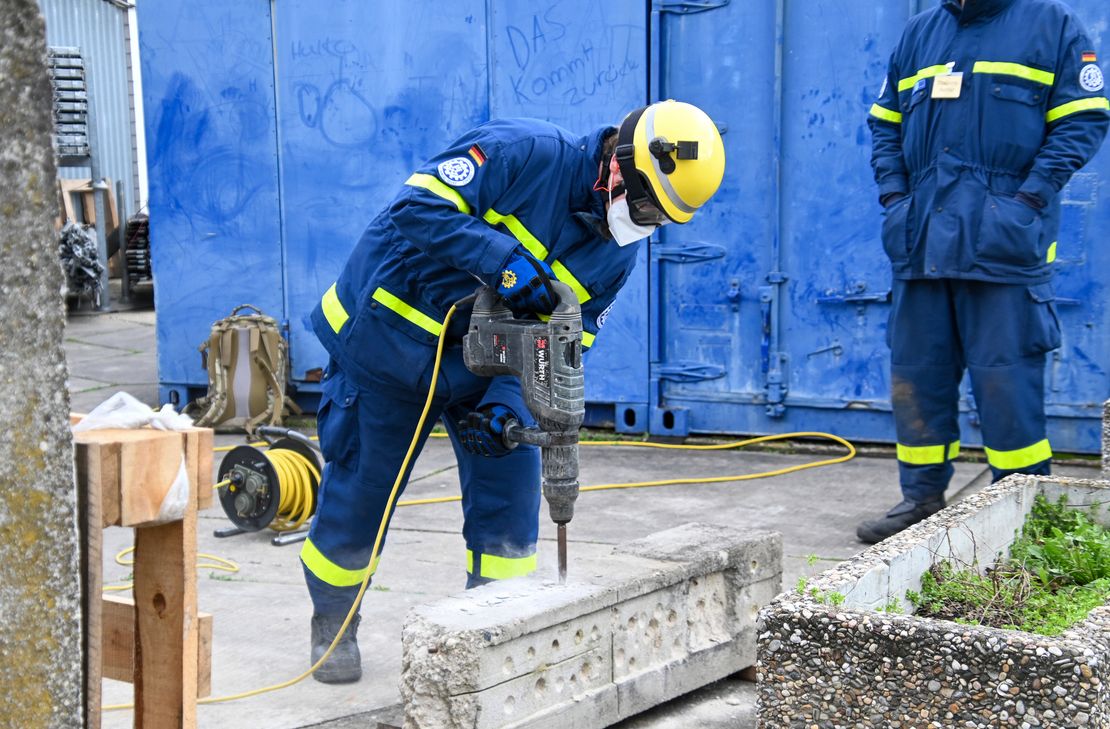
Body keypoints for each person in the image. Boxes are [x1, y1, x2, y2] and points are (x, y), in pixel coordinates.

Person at [302, 100, 725, 682]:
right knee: (361, 497)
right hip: (384, 344)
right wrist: (504, 262)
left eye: (661, 219)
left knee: (510, 501)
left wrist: (507, 408)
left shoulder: (615, 255)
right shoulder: (524, 153)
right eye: (648, 203)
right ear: (619, 162)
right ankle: (333, 624)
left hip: (483, 371)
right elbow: (415, 208)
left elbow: (566, 346)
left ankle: (489, 635)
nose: (646, 222)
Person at [859, 0, 1109, 544]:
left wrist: (1025, 202)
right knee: (917, 379)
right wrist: (896, 198)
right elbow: (884, 126)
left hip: (1003, 246)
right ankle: (921, 500)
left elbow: (1083, 121)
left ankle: (1024, 513)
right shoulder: (921, 34)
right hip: (920, 242)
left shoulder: (1053, 26)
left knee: (1007, 385)